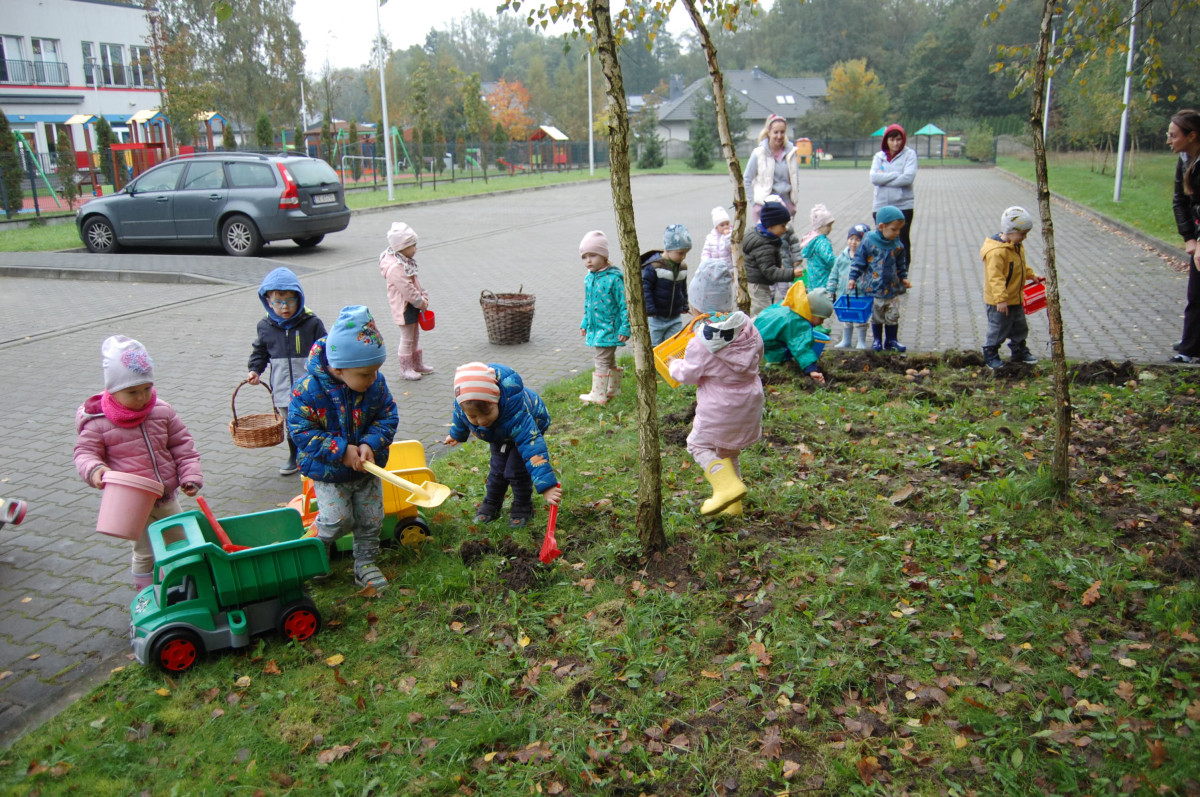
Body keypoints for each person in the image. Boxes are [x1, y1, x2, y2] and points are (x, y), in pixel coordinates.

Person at [74, 336, 203, 590]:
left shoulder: (162, 411)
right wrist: (95, 470)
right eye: (132, 392)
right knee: (144, 552)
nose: (142, 397)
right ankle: (146, 594)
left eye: (147, 388)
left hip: (166, 497)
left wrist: (190, 475)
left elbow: (183, 446)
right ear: (112, 390)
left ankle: (180, 591)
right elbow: (84, 453)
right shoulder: (98, 422)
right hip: (129, 503)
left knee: (180, 544)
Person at [288, 306, 398, 592]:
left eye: (376, 371)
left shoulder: (375, 384)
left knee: (371, 519)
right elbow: (301, 431)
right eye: (365, 374)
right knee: (336, 519)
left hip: (367, 470)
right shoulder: (308, 390)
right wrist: (339, 450)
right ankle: (316, 551)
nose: (373, 378)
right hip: (329, 472)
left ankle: (365, 564)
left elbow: (387, 415)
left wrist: (370, 442)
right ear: (338, 369)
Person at [444, 362, 563, 528]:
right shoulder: (463, 407)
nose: (482, 421)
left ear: (496, 400)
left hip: (527, 431)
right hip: (500, 433)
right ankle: (491, 504)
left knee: (516, 471)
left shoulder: (517, 414)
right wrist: (456, 434)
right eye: (473, 417)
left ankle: (523, 507)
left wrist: (546, 485)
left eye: (486, 413)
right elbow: (460, 418)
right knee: (498, 470)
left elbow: (533, 448)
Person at [667, 312, 764, 517]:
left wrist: (674, 364)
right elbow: (759, 356)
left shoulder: (700, 345)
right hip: (749, 402)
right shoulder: (749, 331)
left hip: (721, 407)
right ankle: (733, 506)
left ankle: (727, 486)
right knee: (729, 451)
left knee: (697, 444)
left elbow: (688, 374)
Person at [247, 267, 327, 475]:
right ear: (268, 301)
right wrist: (255, 370)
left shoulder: (312, 323)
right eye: (278, 302)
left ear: (299, 298)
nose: (285, 307)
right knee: (292, 424)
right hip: (283, 387)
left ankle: (316, 453)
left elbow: (324, 349)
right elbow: (260, 351)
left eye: (290, 301)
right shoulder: (265, 326)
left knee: (314, 420)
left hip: (311, 387)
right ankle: (295, 455)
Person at [981, 206, 1045, 369]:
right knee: (998, 327)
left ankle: (1019, 351)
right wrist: (1001, 299)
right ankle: (990, 353)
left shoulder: (1016, 246)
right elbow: (995, 278)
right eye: (1022, 234)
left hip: (1015, 297)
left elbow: (1019, 265)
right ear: (1010, 231)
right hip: (999, 301)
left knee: (1019, 326)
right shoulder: (996, 252)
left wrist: (1031, 275)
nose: (1025, 237)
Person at [578, 230, 631, 404]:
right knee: (609, 359)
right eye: (584, 257)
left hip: (609, 328)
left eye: (592, 255)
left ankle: (598, 395)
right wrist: (585, 322)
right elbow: (588, 304)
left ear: (604, 255)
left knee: (601, 359)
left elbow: (625, 304)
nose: (588, 260)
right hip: (598, 327)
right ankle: (613, 389)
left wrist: (625, 327)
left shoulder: (614, 279)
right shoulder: (589, 278)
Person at [848, 205, 910, 352]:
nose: (897, 233)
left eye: (899, 230)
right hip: (874, 287)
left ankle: (891, 340)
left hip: (892, 288)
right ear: (881, 227)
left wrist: (903, 277)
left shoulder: (897, 245)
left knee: (892, 314)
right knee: (877, 315)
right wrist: (853, 277)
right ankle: (877, 340)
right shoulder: (869, 241)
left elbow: (901, 263)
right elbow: (859, 261)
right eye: (894, 229)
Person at [380, 221, 434, 381]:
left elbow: (415, 283)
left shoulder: (405, 262)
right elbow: (407, 290)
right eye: (413, 246)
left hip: (413, 305)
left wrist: (423, 294)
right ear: (402, 247)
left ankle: (417, 364)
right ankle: (406, 368)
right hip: (405, 307)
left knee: (415, 335)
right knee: (407, 338)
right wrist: (421, 302)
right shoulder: (396, 267)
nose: (415, 249)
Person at [753, 283, 834, 386]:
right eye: (821, 319)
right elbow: (801, 348)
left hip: (757, 329)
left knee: (788, 340)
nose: (821, 322)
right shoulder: (798, 323)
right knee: (789, 348)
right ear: (811, 312)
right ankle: (773, 364)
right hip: (766, 342)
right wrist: (812, 369)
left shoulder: (792, 306)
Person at [1168, 109, 1200, 364]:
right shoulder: (1184, 159)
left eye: (1173, 135)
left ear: (1192, 136)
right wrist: (1190, 238)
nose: (1169, 141)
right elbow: (1180, 201)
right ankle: (1190, 345)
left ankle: (1190, 347)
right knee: (1196, 292)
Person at [743, 200, 804, 316]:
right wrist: (791, 273)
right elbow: (770, 272)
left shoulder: (763, 235)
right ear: (771, 225)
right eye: (782, 226)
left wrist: (778, 265)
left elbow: (768, 262)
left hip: (758, 283)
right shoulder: (764, 245)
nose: (785, 229)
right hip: (757, 286)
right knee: (763, 314)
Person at [870, 124, 917, 270]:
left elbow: (908, 178)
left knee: (901, 241)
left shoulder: (909, 155)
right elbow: (874, 178)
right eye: (892, 140)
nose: (895, 143)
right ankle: (883, 272)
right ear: (886, 141)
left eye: (898, 140)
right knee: (881, 240)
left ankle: (902, 274)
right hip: (881, 205)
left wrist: (884, 178)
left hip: (903, 205)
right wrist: (896, 175)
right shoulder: (879, 157)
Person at [743, 115, 800, 223]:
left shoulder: (791, 153)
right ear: (769, 132)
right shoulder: (759, 153)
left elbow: (795, 179)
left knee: (786, 234)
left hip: (786, 205)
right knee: (765, 234)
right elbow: (747, 178)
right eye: (776, 132)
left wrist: (793, 203)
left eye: (782, 132)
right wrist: (754, 204)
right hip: (765, 206)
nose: (779, 136)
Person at [642, 224, 692, 346]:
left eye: (686, 253)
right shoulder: (654, 266)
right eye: (680, 253)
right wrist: (649, 309)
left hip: (675, 316)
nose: (683, 257)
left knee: (673, 344)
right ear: (668, 249)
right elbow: (645, 289)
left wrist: (684, 304)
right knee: (655, 345)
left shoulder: (683, 267)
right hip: (656, 317)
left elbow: (683, 288)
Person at [827, 223, 872, 349]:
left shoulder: (867, 259)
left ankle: (861, 341)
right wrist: (830, 290)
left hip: (861, 295)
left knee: (861, 319)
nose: (853, 242)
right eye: (851, 238)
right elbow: (834, 274)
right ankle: (846, 340)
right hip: (844, 294)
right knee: (846, 318)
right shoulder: (842, 257)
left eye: (858, 239)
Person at [799, 204, 837, 295]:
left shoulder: (811, 239)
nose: (830, 229)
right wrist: (839, 264)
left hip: (813, 280)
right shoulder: (823, 242)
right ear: (820, 226)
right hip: (823, 279)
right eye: (828, 225)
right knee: (824, 299)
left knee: (814, 298)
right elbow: (830, 259)